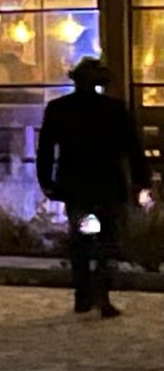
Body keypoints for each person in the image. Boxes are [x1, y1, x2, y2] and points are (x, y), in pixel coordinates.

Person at [36, 58, 153, 319]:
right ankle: (101, 295)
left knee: (81, 240)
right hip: (107, 187)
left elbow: (46, 150)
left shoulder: (59, 109)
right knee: (107, 242)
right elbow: (133, 149)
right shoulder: (114, 110)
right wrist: (142, 180)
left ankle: (83, 293)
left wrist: (46, 181)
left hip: (77, 187)